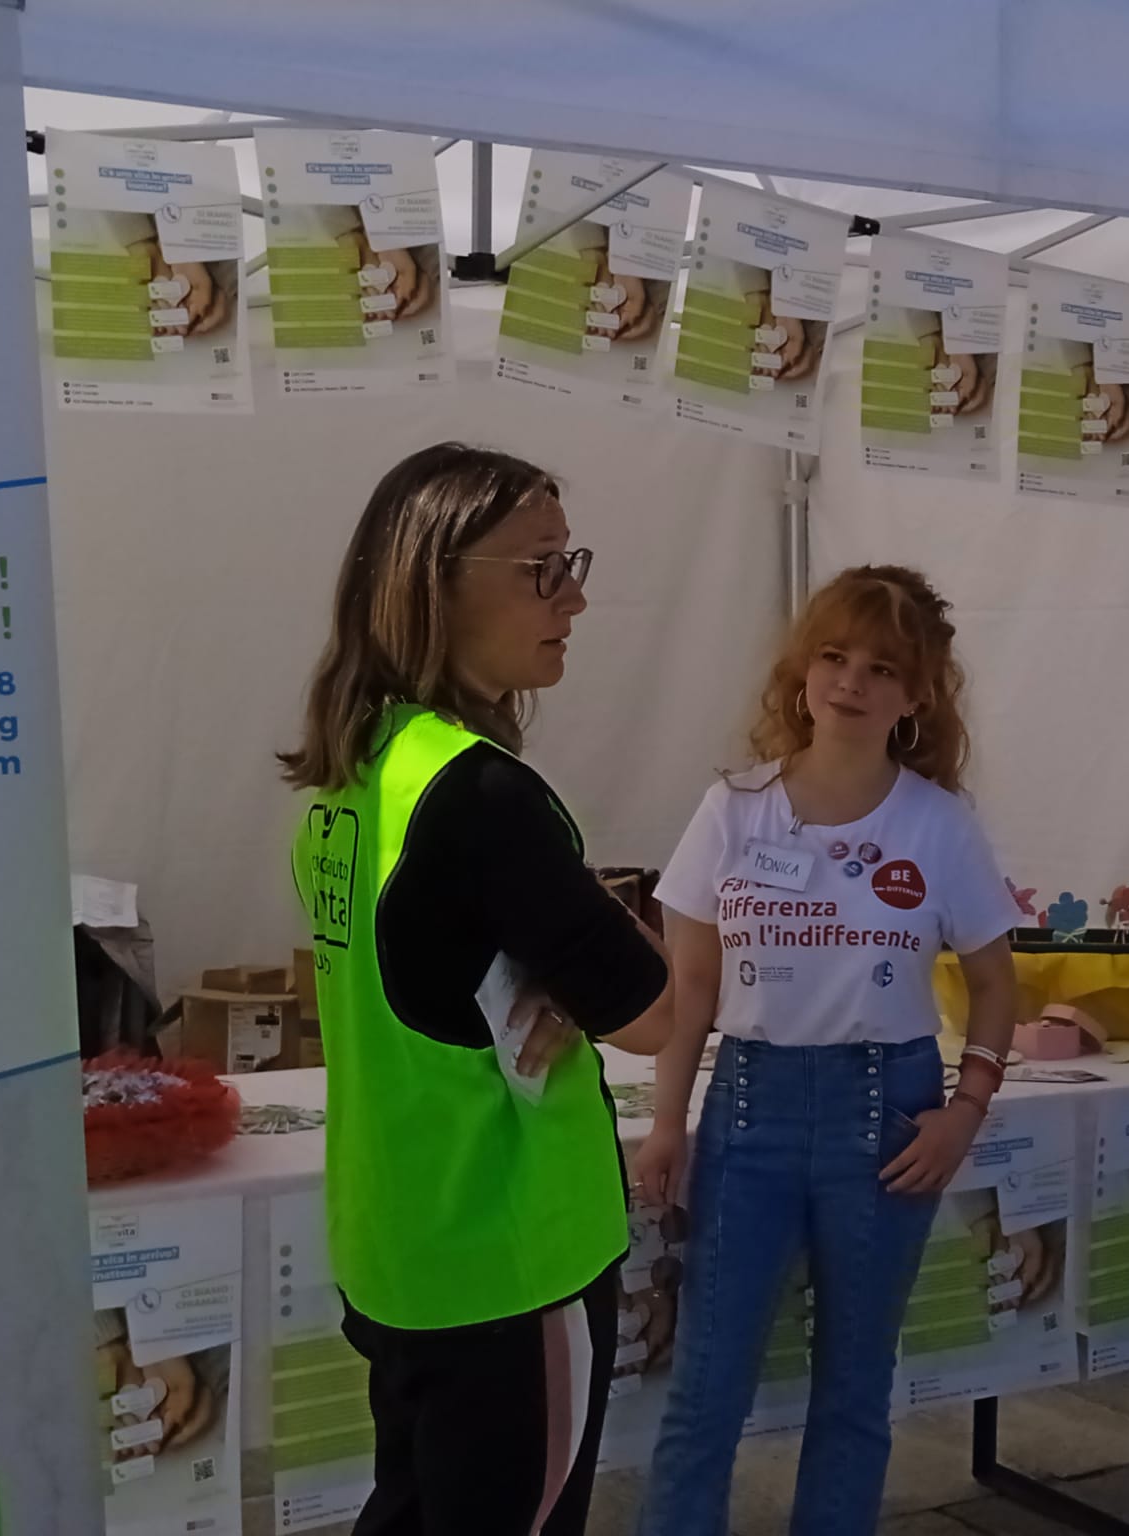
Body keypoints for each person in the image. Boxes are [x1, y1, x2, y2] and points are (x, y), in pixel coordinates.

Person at [282, 443, 674, 1536]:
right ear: (434, 583)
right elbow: (656, 1012)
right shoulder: (482, 796)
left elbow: (430, 970)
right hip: (512, 1261)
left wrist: (555, 966)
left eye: (571, 564)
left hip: (398, 1244)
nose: (574, 599)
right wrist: (632, 941)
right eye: (542, 568)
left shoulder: (359, 770)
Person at [633, 565, 1019, 1536]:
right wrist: (668, 1122)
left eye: (881, 668)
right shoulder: (733, 807)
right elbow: (691, 985)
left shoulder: (938, 822)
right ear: (801, 670)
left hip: (886, 1114)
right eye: (834, 657)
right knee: (705, 1390)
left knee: (852, 1391)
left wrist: (965, 1111)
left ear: (916, 695)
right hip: (750, 1107)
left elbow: (994, 981)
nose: (851, 682)